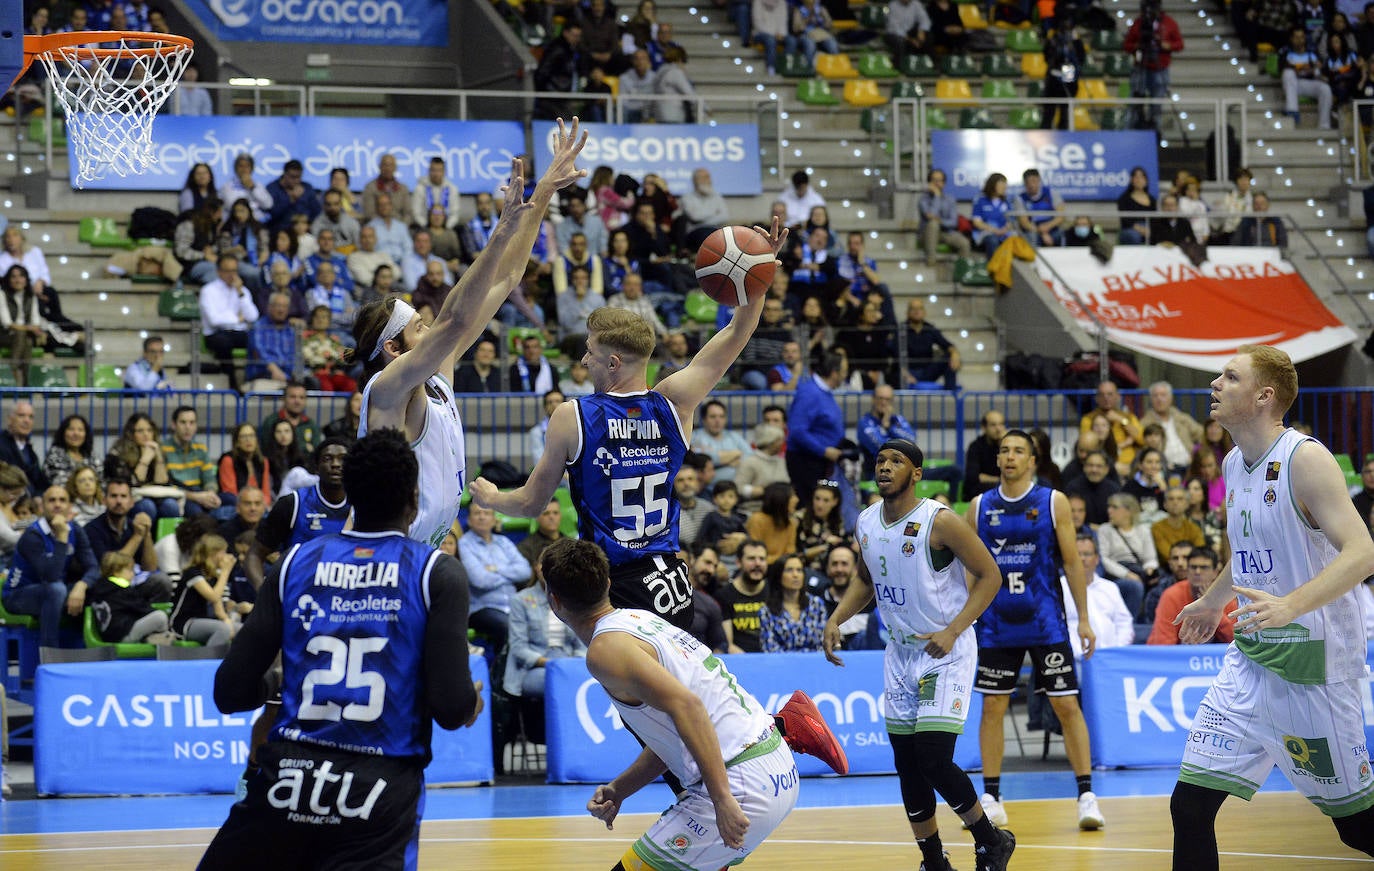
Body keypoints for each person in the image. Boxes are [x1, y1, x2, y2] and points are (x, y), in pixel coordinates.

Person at [470, 221, 782, 630]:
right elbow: (740, 328)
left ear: (613, 362)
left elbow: (530, 503)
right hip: (670, 579)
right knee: (671, 684)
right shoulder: (674, 402)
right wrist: (757, 266)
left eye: (590, 352)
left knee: (630, 690)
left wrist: (491, 497)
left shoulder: (573, 415)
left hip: (611, 584)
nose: (584, 361)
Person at [199, 429, 482, 870]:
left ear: (350, 494)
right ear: (414, 498)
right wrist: (469, 703)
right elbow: (450, 708)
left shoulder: (294, 563)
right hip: (378, 789)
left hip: (288, 781)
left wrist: (278, 680)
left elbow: (229, 692)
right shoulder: (436, 573)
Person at [1170, 345, 1374, 868]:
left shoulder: (1305, 458)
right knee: (1189, 805)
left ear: (1263, 397)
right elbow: (1249, 552)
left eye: (1229, 377)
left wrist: (1291, 604)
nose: (1214, 384)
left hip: (1314, 669)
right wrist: (1214, 601)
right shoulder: (1235, 461)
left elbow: (1363, 552)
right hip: (1251, 660)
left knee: (1357, 828)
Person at [354, 123, 586, 547]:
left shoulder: (437, 373)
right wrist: (500, 229)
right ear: (392, 347)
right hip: (385, 554)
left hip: (429, 546)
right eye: (419, 328)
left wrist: (544, 191)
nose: (432, 329)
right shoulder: (386, 388)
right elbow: (455, 321)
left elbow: (509, 276)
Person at [539, 537, 802, 871]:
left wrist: (722, 799)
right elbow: (676, 729)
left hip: (738, 784)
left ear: (554, 601)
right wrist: (620, 789)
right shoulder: (640, 619)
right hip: (774, 764)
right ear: (607, 583)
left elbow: (688, 708)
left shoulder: (604, 651)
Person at [824, 438, 1014, 871]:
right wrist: (837, 617)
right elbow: (864, 579)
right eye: (880, 461)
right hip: (900, 653)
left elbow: (990, 575)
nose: (885, 467)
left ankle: (990, 841)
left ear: (917, 473)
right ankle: (934, 861)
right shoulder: (867, 521)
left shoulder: (939, 521)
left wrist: (953, 629)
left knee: (933, 759)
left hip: (945, 649)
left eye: (897, 461)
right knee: (908, 766)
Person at [967, 428, 1104, 831]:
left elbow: (1072, 563)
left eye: (1019, 451)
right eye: (1004, 450)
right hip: (995, 622)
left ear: (1032, 460)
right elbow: (967, 566)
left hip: (1045, 619)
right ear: (997, 460)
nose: (1010, 456)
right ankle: (991, 796)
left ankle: (1086, 796)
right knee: (993, 707)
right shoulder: (978, 506)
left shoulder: (1052, 500)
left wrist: (1083, 616)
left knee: (1066, 705)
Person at [0, 484, 98, 648]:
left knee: (94, 587)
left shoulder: (76, 529)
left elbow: (94, 567)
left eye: (62, 500)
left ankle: (84, 649)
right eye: (52, 500)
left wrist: (81, 586)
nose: (57, 505)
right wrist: (61, 538)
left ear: (70, 506)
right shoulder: (33, 534)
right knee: (56, 589)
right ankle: (49, 654)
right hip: (17, 596)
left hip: (51, 590)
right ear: (41, 507)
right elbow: (50, 575)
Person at [785, 350, 848, 503]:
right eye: (844, 371)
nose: (846, 375)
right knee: (810, 507)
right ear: (834, 373)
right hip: (806, 462)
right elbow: (797, 430)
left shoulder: (823, 392)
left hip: (819, 462)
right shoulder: (810, 393)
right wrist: (824, 450)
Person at [1063, 534, 1137, 655]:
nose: (1082, 559)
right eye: (1077, 554)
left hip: (1112, 659)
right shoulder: (1060, 588)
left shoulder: (1110, 588)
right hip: (1075, 660)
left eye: (1087, 554)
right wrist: (1079, 654)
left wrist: (1117, 650)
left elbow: (1124, 623)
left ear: (1097, 559)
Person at [1147, 545, 1236, 645]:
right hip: (1179, 657)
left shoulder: (1227, 595)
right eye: (1193, 567)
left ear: (1215, 572)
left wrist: (1214, 606)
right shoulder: (1171, 595)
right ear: (1187, 570)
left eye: (1204, 567)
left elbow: (1236, 641)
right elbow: (1163, 643)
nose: (1197, 572)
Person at [1123, 0, 1183, 130]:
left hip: (1160, 68)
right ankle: (1129, 131)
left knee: (1156, 105)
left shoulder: (1169, 22)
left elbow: (1179, 44)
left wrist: (1167, 45)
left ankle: (1155, 134)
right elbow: (1126, 45)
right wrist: (1137, 46)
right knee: (1134, 102)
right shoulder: (1139, 23)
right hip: (1140, 68)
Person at [759, 552, 828, 652]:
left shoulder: (817, 605)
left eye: (799, 570)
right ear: (779, 576)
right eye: (789, 570)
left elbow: (823, 644)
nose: (795, 575)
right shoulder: (766, 611)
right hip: (781, 665)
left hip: (814, 663)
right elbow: (770, 649)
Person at [1279, 27, 1333, 127]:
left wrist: (1316, 70)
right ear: (1291, 38)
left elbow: (1319, 71)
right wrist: (1299, 68)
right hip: (1292, 84)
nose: (1299, 40)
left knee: (1325, 89)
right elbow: (1281, 68)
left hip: (1308, 83)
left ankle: (1324, 125)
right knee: (1288, 73)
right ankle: (1292, 110)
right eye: (1296, 37)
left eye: (1301, 37)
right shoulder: (1286, 52)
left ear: (1305, 38)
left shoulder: (1312, 53)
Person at [918, 169, 973, 266]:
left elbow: (953, 222)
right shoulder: (923, 199)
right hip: (927, 234)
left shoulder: (950, 199)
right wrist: (937, 197)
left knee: (964, 243)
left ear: (944, 183)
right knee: (933, 225)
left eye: (940, 180)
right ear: (929, 182)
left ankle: (962, 273)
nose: (937, 183)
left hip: (946, 233)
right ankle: (931, 261)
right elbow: (930, 215)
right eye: (934, 180)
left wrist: (940, 221)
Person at [962, 409, 1006, 500]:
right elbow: (973, 477)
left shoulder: (1006, 446)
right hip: (978, 492)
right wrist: (1000, 480)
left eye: (1001, 424)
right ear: (984, 427)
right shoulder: (976, 446)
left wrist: (1004, 443)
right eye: (993, 425)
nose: (998, 429)